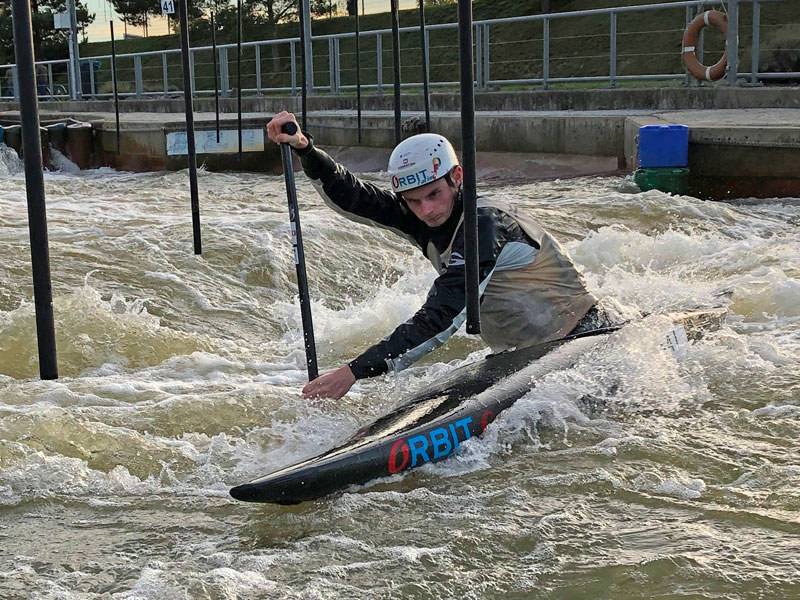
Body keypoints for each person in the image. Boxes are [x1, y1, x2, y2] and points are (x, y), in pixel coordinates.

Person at [267, 111, 615, 401]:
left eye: (434, 194)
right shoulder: (421, 211)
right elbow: (358, 196)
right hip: (519, 358)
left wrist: (354, 372)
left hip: (585, 343)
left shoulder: (486, 225)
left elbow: (442, 316)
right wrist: (305, 148)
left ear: (456, 177)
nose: (427, 210)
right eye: (413, 201)